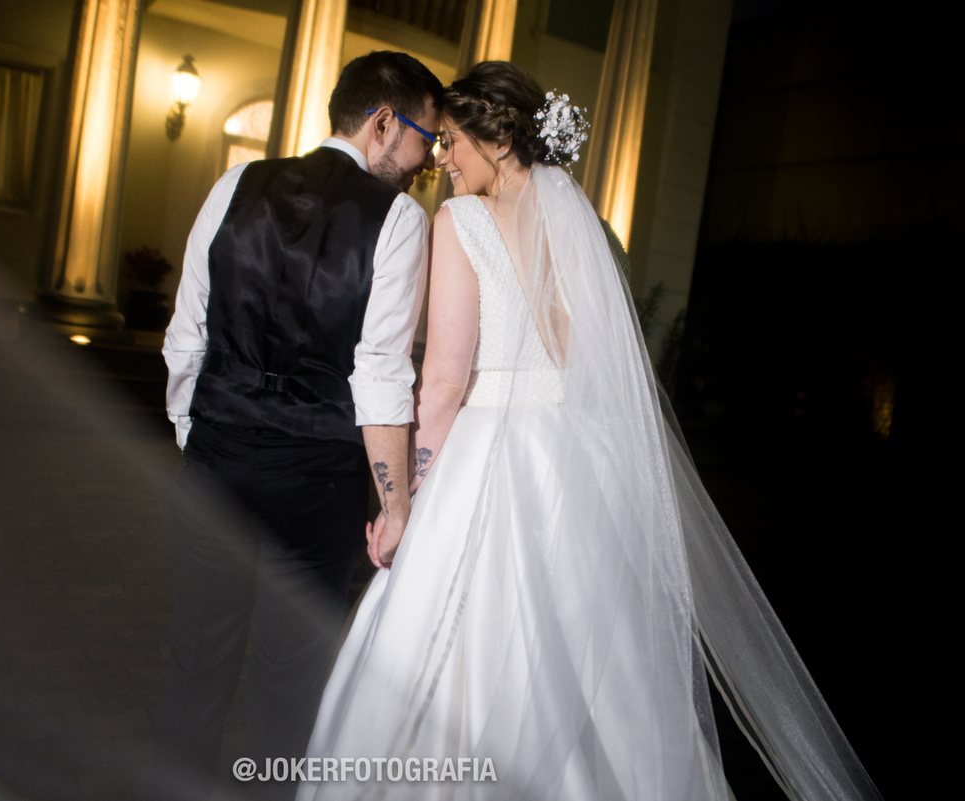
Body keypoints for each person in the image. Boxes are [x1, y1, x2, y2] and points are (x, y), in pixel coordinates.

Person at [301, 62, 882, 801]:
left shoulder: (461, 222)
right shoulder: (586, 226)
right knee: (584, 655)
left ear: (500, 137)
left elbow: (443, 380)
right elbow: (589, 362)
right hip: (575, 461)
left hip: (489, 454)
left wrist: (405, 502)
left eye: (451, 141)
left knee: (451, 649)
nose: (442, 158)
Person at [157, 51, 441, 799]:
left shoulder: (233, 183)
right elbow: (381, 374)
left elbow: (186, 334)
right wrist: (397, 502)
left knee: (194, 669)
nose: (426, 162)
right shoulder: (400, 221)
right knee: (289, 689)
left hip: (217, 461)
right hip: (318, 487)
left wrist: (204, 437)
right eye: (424, 140)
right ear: (384, 123)